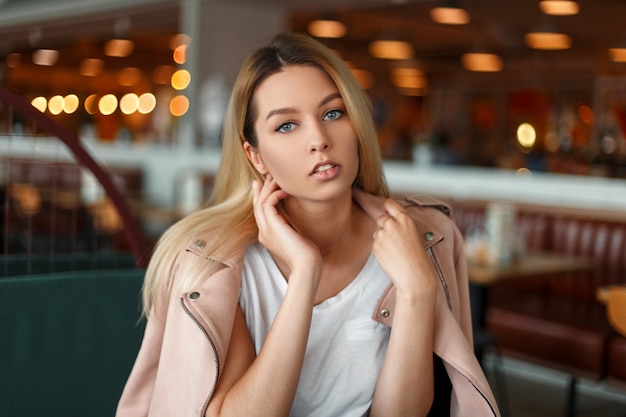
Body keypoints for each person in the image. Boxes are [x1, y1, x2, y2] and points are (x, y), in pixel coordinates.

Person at [116, 32, 500, 417]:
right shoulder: (214, 264)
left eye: (333, 113)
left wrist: (417, 288)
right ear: (256, 156)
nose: (319, 139)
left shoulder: (426, 237)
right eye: (286, 126)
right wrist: (304, 274)